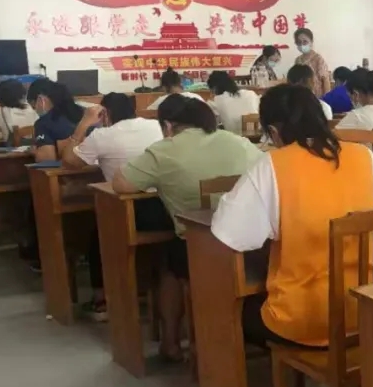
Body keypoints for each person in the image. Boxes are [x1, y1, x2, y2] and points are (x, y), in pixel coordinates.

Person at [211, 85, 373, 347]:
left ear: (274, 131)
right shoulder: (364, 156)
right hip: (364, 306)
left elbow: (229, 233)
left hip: (302, 318)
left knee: (232, 308)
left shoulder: (272, 165)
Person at [113, 94, 260, 360]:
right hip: (251, 245)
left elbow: (121, 185)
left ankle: (171, 342)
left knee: (168, 261)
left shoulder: (163, 150)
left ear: (168, 126)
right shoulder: (237, 141)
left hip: (202, 250)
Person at [61, 93, 164, 320]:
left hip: (130, 210)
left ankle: (101, 300)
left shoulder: (102, 135)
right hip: (163, 205)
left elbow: (69, 162)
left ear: (104, 113)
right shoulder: (155, 125)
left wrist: (84, 124)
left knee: (96, 235)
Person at [30, 79, 87, 161]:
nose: (35, 110)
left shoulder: (43, 123)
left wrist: (35, 152)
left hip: (66, 167)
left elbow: (47, 160)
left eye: (33, 106)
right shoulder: (84, 113)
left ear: (41, 100)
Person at [293, 27, 332, 96]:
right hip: (302, 95)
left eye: (305, 41)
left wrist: (326, 98)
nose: (302, 44)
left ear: (311, 41)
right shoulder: (298, 60)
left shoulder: (318, 59)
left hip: (318, 97)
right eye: (299, 42)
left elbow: (326, 81)